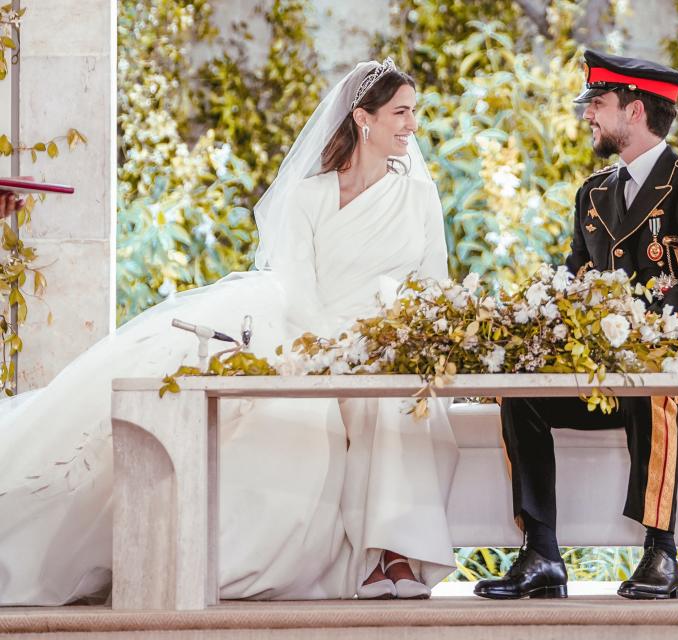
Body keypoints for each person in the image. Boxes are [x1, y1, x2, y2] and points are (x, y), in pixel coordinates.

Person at [0, 59, 458, 604]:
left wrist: (393, 340)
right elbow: (298, 286)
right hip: (308, 335)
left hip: (386, 342)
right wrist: (337, 350)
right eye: (401, 112)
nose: (412, 125)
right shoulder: (308, 197)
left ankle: (393, 555)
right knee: (296, 407)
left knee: (392, 397)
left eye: (414, 113)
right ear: (363, 118)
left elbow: (433, 285)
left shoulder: (419, 197)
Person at [474, 50, 678, 601]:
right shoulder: (592, 193)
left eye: (598, 103)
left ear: (634, 111)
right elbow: (574, 278)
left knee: (651, 385)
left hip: (677, 377)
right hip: (605, 376)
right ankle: (541, 553)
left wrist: (630, 348)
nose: (588, 114)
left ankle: (662, 554)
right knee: (521, 392)